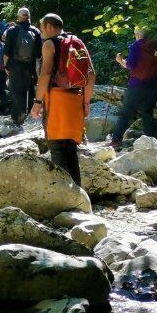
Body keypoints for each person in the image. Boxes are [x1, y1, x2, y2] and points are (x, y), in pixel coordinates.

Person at [32, 13, 94, 186]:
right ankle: (78, 193)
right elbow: (91, 74)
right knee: (70, 149)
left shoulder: (50, 44)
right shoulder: (78, 42)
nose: (41, 31)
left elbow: (45, 74)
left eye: (42, 27)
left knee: (57, 148)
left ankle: (64, 194)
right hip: (76, 99)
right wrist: (86, 103)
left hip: (56, 100)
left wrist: (37, 102)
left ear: (50, 27)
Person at [109, 26, 157, 147]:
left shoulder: (135, 46)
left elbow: (130, 66)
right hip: (153, 85)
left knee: (126, 112)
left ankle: (116, 141)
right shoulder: (155, 46)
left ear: (138, 34)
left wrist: (120, 60)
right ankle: (153, 143)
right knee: (148, 113)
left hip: (136, 85)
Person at [4, 7, 42, 124]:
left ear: (18, 17)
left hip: (15, 66)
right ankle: (30, 117)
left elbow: (6, 52)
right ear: (29, 17)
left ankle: (17, 117)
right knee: (29, 90)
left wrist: (5, 66)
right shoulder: (36, 31)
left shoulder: (11, 31)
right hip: (30, 67)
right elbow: (39, 54)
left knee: (15, 90)